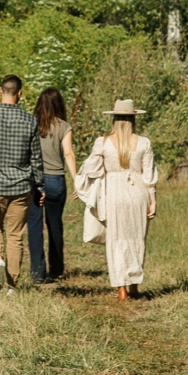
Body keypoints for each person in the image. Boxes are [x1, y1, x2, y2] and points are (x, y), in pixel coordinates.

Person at [0, 75, 44, 295]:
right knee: (15, 235)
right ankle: (12, 285)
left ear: (0, 90)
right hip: (21, 187)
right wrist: (39, 186)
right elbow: (36, 159)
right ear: (20, 93)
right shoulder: (30, 121)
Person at [79, 99, 157, 300]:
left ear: (114, 118)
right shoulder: (143, 143)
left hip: (113, 192)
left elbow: (92, 168)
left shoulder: (103, 142)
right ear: (133, 119)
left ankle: (121, 286)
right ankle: (134, 284)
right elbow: (149, 175)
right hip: (137, 191)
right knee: (136, 238)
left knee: (116, 240)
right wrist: (153, 199)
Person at [27, 87, 77, 285]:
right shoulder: (64, 127)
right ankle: (56, 269)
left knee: (34, 225)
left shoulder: (32, 125)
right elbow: (69, 154)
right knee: (55, 224)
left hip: (35, 180)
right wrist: (77, 180)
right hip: (56, 179)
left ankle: (38, 272)